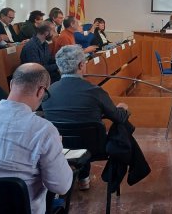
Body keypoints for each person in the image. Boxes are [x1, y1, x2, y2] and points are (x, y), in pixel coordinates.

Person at [0, 63, 73, 214]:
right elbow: (61, 186)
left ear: (12, 84)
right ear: (41, 91)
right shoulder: (44, 130)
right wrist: (56, 148)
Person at [42, 45, 129, 190]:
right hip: (96, 148)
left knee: (77, 127)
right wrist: (123, 108)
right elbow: (119, 118)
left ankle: (82, 177)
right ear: (81, 65)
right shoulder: (94, 91)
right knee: (102, 129)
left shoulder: (48, 91)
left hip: (60, 146)